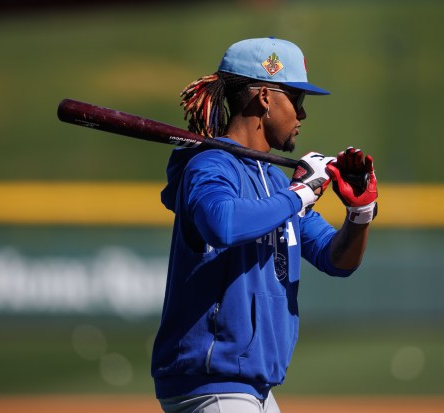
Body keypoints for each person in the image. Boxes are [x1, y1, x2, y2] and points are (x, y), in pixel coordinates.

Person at [151, 37, 378, 413]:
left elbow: (335, 260)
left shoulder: (275, 182)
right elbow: (221, 224)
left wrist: (360, 214)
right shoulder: (210, 166)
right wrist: (302, 193)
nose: (302, 115)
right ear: (266, 98)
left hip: (252, 387)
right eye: (297, 99)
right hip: (213, 384)